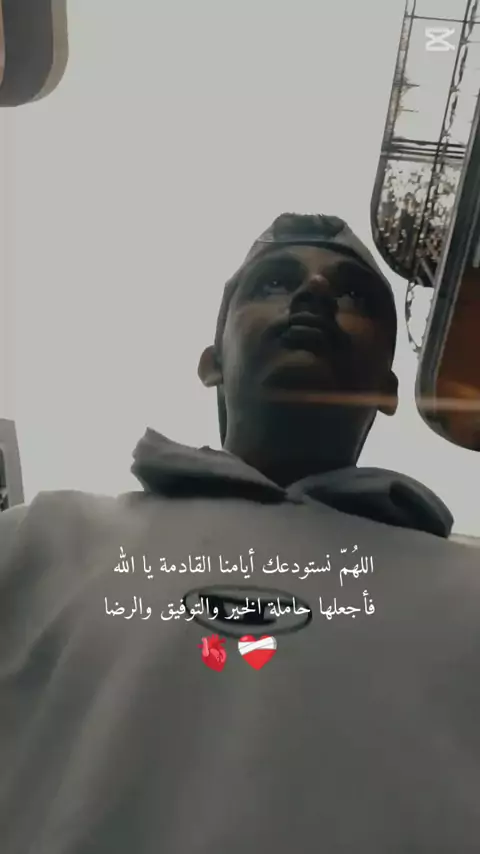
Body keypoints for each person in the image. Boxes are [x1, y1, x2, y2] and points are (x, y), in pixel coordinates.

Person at [1, 212, 479, 854]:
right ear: (211, 362)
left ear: (389, 389)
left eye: (353, 296)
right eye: (274, 283)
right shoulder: (38, 542)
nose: (314, 293)